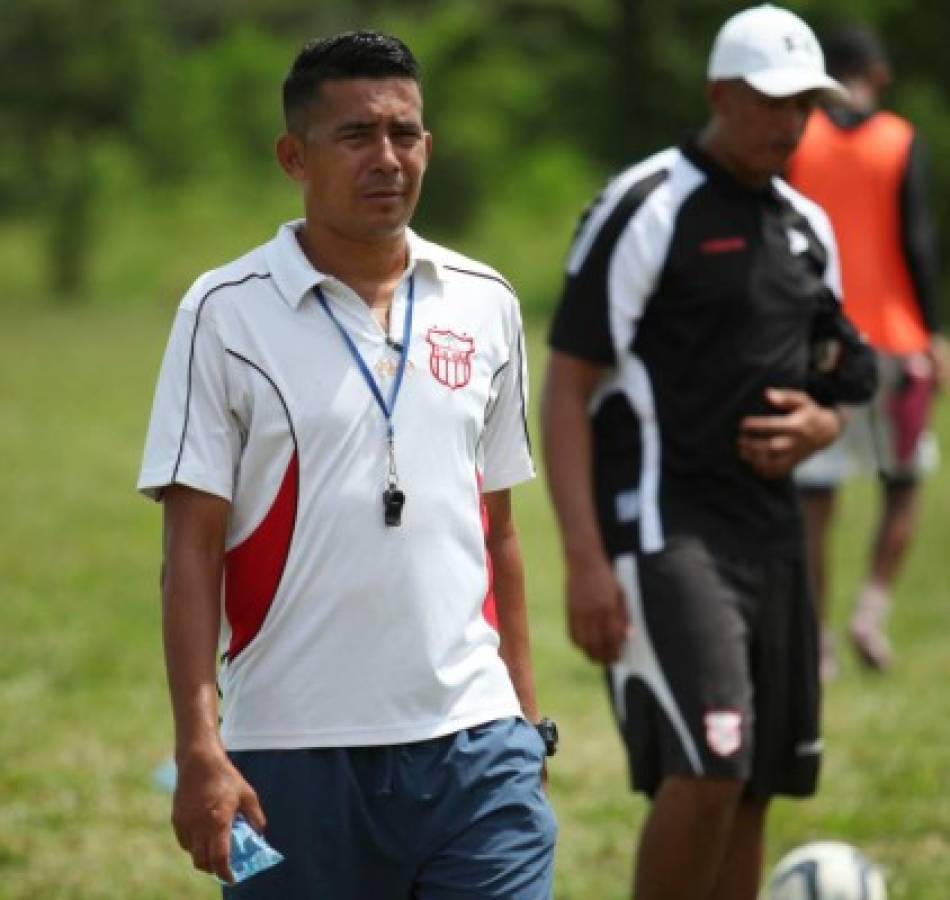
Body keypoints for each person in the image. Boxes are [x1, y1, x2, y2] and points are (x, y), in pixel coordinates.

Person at [137, 31, 557, 899]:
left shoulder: (487, 302)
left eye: (405, 134)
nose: (387, 159)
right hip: (292, 759)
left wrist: (524, 719)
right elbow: (189, 552)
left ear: (429, 147)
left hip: (477, 752)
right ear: (294, 155)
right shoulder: (224, 313)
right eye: (356, 136)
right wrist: (199, 747)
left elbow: (499, 530)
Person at [541, 6, 877, 899]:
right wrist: (584, 561)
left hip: (773, 540)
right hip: (665, 531)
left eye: (804, 104)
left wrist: (824, 426)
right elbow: (567, 390)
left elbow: (839, 375)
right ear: (718, 94)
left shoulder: (806, 227)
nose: (789, 123)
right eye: (770, 102)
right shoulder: (647, 206)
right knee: (710, 764)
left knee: (757, 784)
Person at [786, 25, 948, 678]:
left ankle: (818, 639)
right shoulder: (900, 140)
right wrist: (935, 332)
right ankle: (871, 609)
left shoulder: (799, 138)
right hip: (895, 341)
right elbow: (918, 242)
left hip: (818, 343)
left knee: (814, 501)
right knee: (904, 487)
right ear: (878, 73)